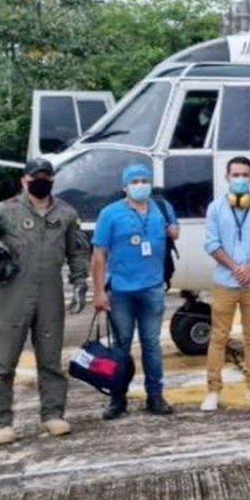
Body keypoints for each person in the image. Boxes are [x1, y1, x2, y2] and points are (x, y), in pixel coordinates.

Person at [0, 158, 89, 446]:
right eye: (35, 177)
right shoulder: (5, 211)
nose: (41, 181)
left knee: (51, 360)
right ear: (23, 181)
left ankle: (53, 415)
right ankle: (2, 422)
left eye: (46, 177)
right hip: (13, 293)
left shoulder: (65, 213)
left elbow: (77, 251)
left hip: (50, 295)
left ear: (52, 180)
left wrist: (79, 283)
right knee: (3, 362)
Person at [91, 163, 180, 420]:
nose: (140, 185)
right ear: (125, 187)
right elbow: (99, 255)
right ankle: (118, 399)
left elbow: (174, 230)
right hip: (121, 292)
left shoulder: (161, 208)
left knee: (152, 345)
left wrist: (174, 231)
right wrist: (99, 292)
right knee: (121, 347)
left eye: (144, 180)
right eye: (135, 181)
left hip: (153, 288)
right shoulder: (110, 214)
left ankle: (155, 396)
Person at [200, 156, 250, 411]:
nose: (241, 179)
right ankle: (213, 390)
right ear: (227, 177)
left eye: (245, 175)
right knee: (219, 336)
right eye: (236, 175)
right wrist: (235, 267)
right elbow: (211, 244)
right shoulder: (215, 208)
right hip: (225, 282)